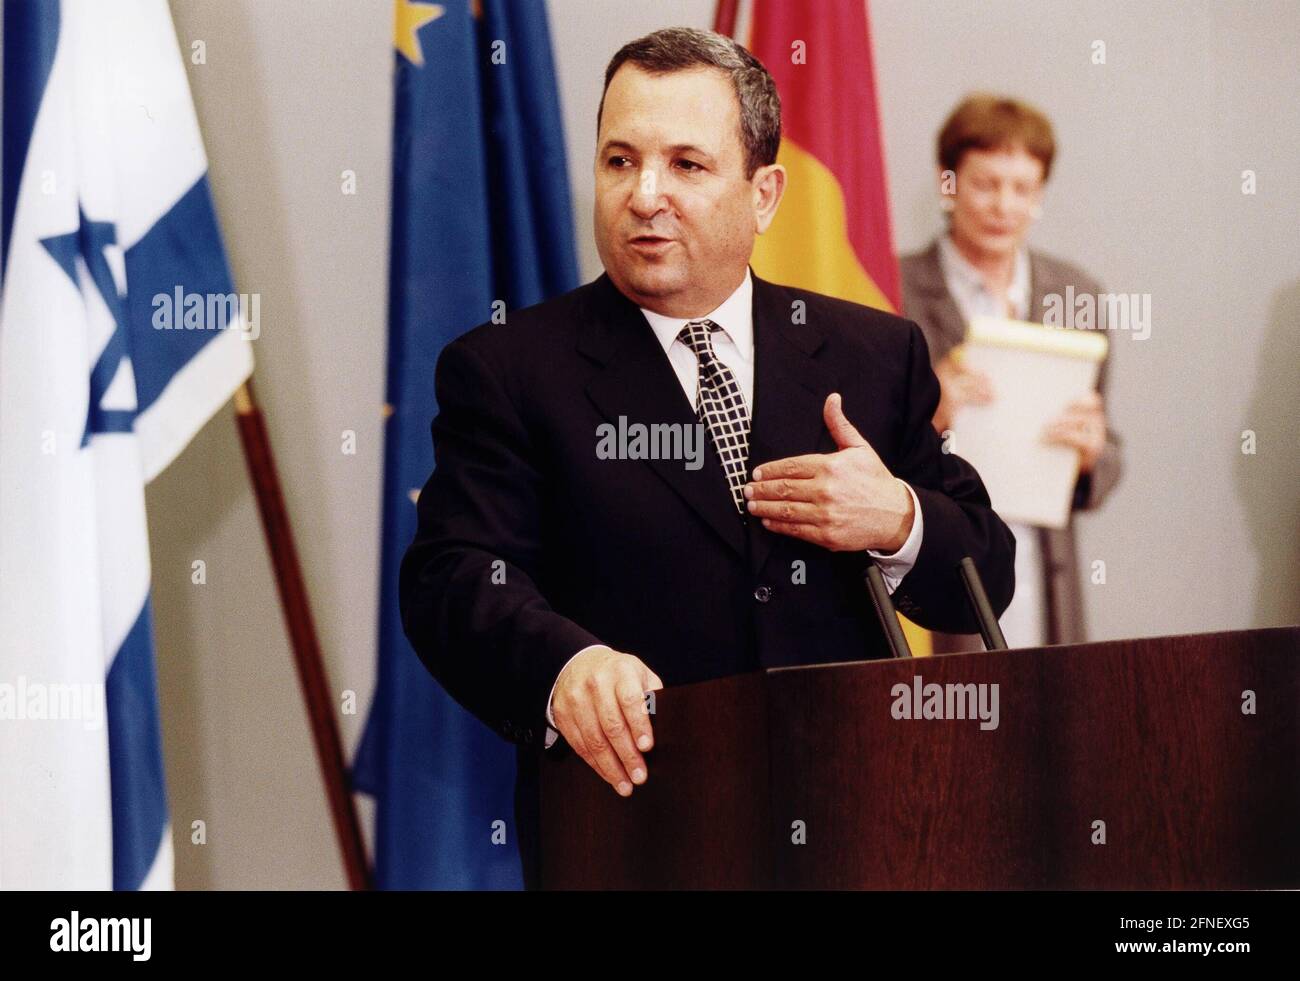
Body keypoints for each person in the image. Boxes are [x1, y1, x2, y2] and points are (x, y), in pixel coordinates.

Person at [400, 28, 1015, 888]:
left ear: (764, 194)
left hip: (857, 831)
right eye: (620, 161)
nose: (645, 195)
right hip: (632, 832)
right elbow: (453, 576)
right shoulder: (507, 369)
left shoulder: (873, 353)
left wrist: (900, 519)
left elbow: (987, 567)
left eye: (686, 164)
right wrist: (564, 664)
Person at [900, 94, 1123, 653]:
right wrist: (927, 410)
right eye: (985, 184)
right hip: (934, 563)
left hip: (1045, 566)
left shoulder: (1078, 295)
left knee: (1051, 727)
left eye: (1022, 188)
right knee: (952, 730)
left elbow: (1110, 451)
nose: (1003, 205)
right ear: (947, 184)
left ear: (1040, 193)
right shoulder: (892, 287)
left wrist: (1093, 451)